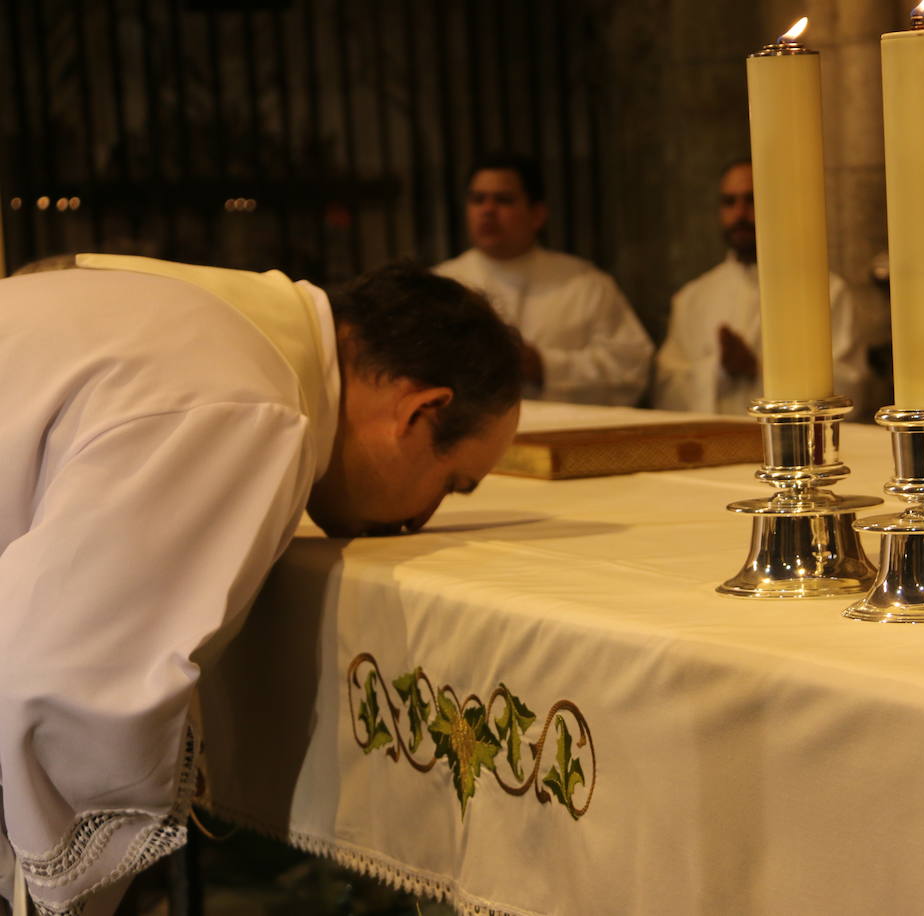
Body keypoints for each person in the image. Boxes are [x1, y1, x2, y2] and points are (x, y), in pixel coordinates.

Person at [0, 255, 522, 916]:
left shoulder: (191, 323)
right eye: (451, 484)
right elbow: (69, 684)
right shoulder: (246, 396)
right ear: (420, 412)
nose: (423, 519)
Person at [432, 152, 653, 406]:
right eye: (477, 199)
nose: (487, 211)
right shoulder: (441, 285)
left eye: (503, 200)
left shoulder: (585, 283)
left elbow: (632, 367)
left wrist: (544, 366)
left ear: (537, 214)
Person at [654, 159, 867, 415]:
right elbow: (666, 388)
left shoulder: (827, 293)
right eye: (729, 202)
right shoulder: (693, 297)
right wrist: (716, 371)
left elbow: (850, 384)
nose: (740, 214)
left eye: (752, 200)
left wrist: (756, 370)